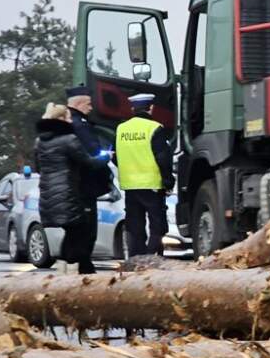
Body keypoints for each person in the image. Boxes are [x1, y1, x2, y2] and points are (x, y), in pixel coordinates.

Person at [34, 103, 107, 274]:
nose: (70, 121)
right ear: (60, 119)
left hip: (47, 194)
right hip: (68, 193)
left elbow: (38, 168)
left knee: (72, 231)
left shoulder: (39, 142)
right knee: (81, 231)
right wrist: (105, 158)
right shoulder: (69, 140)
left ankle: (66, 269)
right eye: (67, 117)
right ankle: (74, 270)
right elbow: (89, 162)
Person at [114, 92, 174, 256]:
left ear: (133, 109)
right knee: (157, 226)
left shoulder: (121, 129)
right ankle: (152, 258)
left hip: (130, 186)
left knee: (135, 226)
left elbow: (115, 156)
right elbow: (163, 158)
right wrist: (168, 182)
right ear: (151, 108)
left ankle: (136, 259)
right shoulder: (154, 128)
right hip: (152, 185)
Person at [64, 84, 113, 201]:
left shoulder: (67, 121)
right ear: (78, 104)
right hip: (85, 185)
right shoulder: (80, 125)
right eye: (88, 104)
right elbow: (93, 152)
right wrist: (107, 156)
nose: (91, 108)